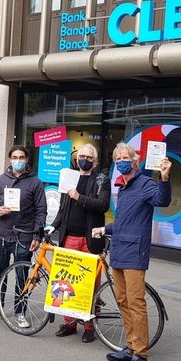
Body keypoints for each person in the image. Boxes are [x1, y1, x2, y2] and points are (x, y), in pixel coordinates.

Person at [92, 142, 171, 361]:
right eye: (117, 160)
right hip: (119, 250)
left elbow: (161, 200)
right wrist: (104, 228)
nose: (121, 162)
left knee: (136, 303)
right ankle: (130, 345)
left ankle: (141, 356)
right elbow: (124, 222)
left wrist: (164, 178)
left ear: (135, 160)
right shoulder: (123, 187)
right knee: (123, 301)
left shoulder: (146, 184)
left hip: (135, 253)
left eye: (125, 158)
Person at [0, 145, 47, 327]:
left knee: (22, 276)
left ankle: (20, 312)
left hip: (25, 236)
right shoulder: (0, 180)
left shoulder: (35, 182)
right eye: (15, 157)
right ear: (10, 158)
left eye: (22, 157)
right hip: (1, 234)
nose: (18, 160)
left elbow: (41, 210)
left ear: (27, 159)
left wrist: (37, 235)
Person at [46, 143, 110, 343]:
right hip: (70, 237)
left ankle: (90, 326)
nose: (85, 159)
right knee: (65, 283)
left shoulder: (101, 180)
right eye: (82, 156)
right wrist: (53, 226)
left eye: (89, 157)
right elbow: (63, 208)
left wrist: (79, 197)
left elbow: (102, 205)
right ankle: (70, 323)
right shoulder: (69, 177)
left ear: (95, 161)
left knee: (90, 285)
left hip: (90, 240)